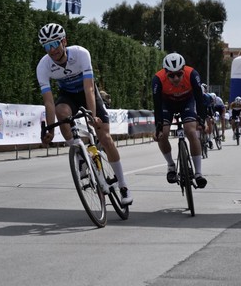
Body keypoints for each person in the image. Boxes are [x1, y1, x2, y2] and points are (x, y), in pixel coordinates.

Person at [36, 23, 133, 205]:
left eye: (55, 44)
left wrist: (92, 116)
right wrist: (49, 128)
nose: (52, 50)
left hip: (87, 93)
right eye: (47, 46)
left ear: (64, 41)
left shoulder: (81, 54)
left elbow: (89, 88)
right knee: (60, 112)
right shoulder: (43, 65)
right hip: (68, 96)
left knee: (105, 138)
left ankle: (123, 185)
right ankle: (80, 153)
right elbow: (48, 101)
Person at [152, 53, 207, 188]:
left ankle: (198, 173)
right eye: (171, 75)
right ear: (165, 73)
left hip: (187, 102)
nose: (176, 78)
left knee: (191, 131)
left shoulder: (192, 74)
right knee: (163, 135)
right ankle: (171, 166)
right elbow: (157, 104)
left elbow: (200, 99)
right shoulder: (157, 79)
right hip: (167, 104)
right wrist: (158, 127)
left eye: (179, 74)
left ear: (184, 70)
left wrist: (201, 119)